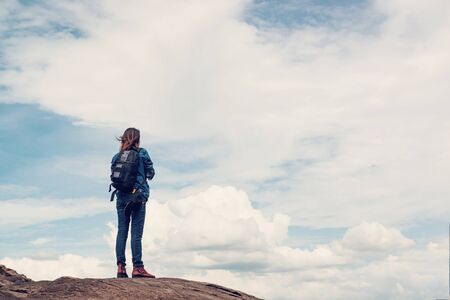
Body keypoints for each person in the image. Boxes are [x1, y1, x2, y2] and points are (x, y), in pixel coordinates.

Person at [111, 127, 156, 278]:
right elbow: (150, 173)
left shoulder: (117, 156)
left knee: (121, 231)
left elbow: (113, 176)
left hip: (121, 198)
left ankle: (120, 267)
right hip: (137, 197)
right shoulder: (142, 153)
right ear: (138, 139)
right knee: (136, 234)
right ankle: (138, 267)